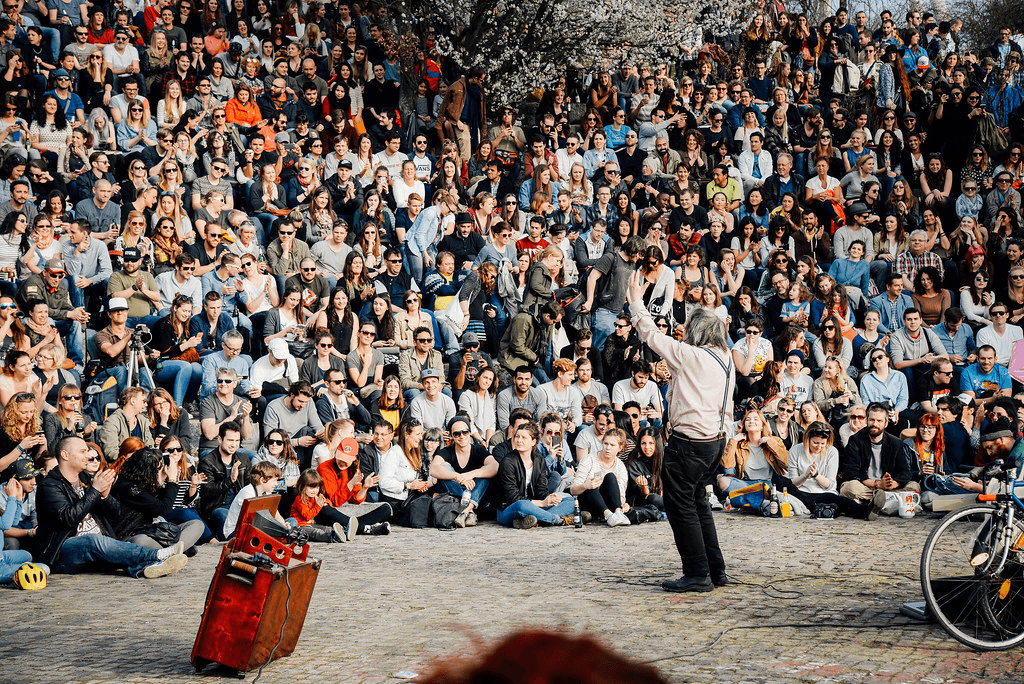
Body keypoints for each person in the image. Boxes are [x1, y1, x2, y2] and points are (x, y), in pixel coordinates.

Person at [626, 270, 733, 592]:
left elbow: (652, 336)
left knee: (680, 505)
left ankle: (697, 573)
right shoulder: (725, 357)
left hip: (691, 443)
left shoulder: (692, 355)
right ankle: (715, 570)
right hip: (715, 440)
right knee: (698, 501)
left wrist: (635, 302)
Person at [35, 435, 189, 578]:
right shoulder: (50, 486)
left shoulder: (86, 479)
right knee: (93, 541)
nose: (88, 456)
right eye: (83, 451)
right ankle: (157, 556)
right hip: (62, 550)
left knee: (103, 545)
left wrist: (105, 496)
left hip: (101, 543)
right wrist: (95, 491)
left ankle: (147, 567)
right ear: (65, 455)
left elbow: (116, 515)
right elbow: (69, 518)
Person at [838, 403, 920, 510]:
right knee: (848, 488)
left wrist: (893, 484)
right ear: (867, 420)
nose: (874, 424)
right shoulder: (856, 440)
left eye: (879, 421)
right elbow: (851, 472)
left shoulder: (896, 443)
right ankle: (890, 503)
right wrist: (877, 484)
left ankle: (877, 503)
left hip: (890, 489)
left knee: (914, 486)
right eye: (872, 420)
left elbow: (905, 472)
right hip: (867, 487)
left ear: (886, 423)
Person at [496, 421, 575, 529]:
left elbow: (542, 491)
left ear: (533, 441)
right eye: (517, 437)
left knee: (569, 501)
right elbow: (513, 499)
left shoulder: (539, 460)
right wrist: (543, 503)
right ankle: (557, 519)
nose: (519, 440)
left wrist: (550, 499)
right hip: (509, 509)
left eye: (524, 438)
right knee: (522, 505)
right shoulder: (508, 462)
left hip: (535, 507)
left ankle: (531, 520)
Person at [429, 415, 498, 528]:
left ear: (470, 432)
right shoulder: (447, 452)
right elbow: (433, 469)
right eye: (457, 434)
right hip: (455, 501)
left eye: (465, 432)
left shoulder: (478, 451)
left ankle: (467, 509)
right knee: (445, 471)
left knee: (485, 474)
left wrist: (470, 474)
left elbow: (495, 467)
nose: (462, 436)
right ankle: (468, 512)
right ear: (451, 436)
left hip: (477, 498)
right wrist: (457, 477)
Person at [570, 427, 633, 526]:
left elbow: (620, 492)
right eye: (606, 444)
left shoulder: (620, 465)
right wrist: (585, 486)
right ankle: (608, 515)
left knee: (610, 477)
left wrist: (623, 505)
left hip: (608, 501)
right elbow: (573, 490)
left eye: (612, 445)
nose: (608, 448)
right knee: (592, 485)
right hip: (588, 499)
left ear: (620, 448)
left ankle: (618, 513)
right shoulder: (589, 459)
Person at [197, 421, 250, 539]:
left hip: (239, 506)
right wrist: (230, 480)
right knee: (223, 515)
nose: (234, 445)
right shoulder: (207, 462)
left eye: (237, 441)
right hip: (217, 508)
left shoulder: (244, 459)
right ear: (220, 439)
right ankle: (237, 540)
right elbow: (207, 491)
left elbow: (249, 486)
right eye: (230, 440)